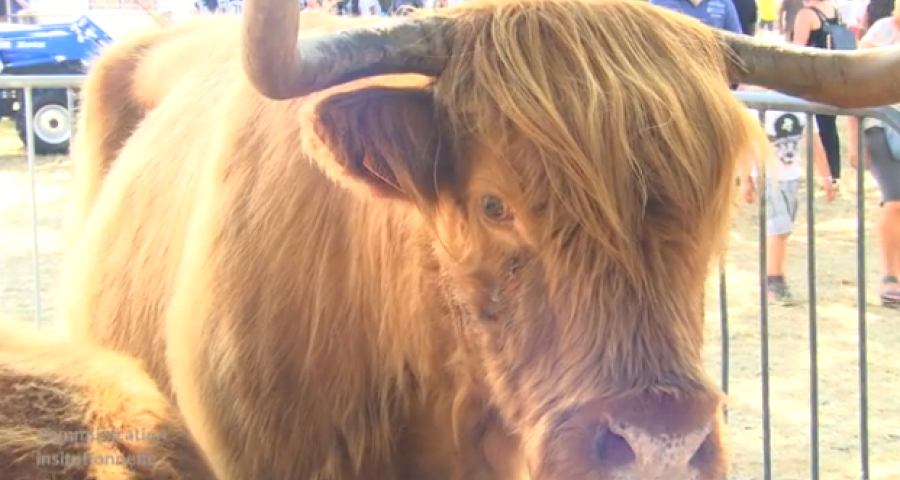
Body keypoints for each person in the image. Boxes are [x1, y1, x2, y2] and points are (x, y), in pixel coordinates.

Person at [741, 103, 837, 304]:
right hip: (768, 177)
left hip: (791, 177)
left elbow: (814, 142)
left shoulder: (800, 105)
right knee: (778, 228)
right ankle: (774, 282)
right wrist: (747, 179)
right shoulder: (759, 105)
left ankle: (774, 277)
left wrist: (827, 177)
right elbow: (746, 145)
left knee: (783, 232)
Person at [847, 0, 900, 307]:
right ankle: (889, 276)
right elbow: (856, 81)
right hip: (882, 126)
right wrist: (854, 139)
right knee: (894, 201)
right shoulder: (882, 32)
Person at [792, 0, 844, 190]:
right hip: (834, 76)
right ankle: (834, 174)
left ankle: (826, 176)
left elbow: (796, 50)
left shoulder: (806, 15)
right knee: (829, 127)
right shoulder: (833, 10)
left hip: (813, 78)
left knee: (815, 129)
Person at [649, 0, 743, 33]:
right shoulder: (658, 3)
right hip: (671, 73)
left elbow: (738, 47)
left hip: (709, 74)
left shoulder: (724, 3)